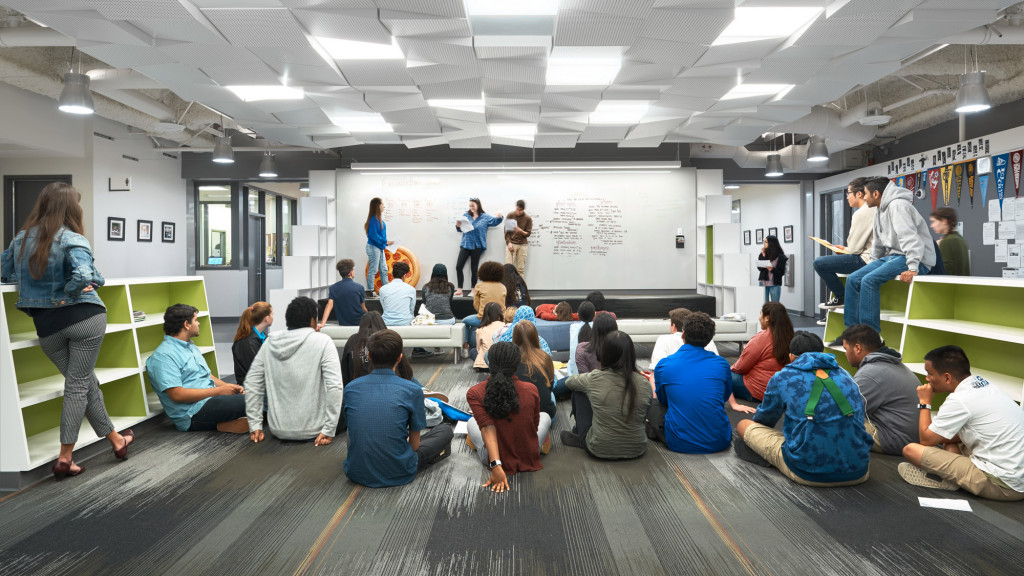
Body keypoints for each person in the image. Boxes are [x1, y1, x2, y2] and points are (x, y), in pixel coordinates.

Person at [0, 182, 134, 479]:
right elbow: (84, 275)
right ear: (73, 208)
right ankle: (65, 457)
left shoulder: (21, 240)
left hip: (47, 325)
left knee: (85, 383)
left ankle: (116, 440)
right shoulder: (73, 238)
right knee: (79, 386)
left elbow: (4, 272)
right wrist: (75, 289)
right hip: (85, 318)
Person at [735, 332, 873, 487]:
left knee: (744, 426)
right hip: (859, 470)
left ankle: (777, 459)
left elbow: (764, 420)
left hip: (808, 472)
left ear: (791, 357)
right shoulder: (847, 375)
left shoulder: (783, 377)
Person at [898, 346, 1024, 501]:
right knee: (949, 442)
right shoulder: (982, 383)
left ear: (947, 378)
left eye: (930, 373)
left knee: (911, 450)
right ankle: (954, 477)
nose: (927, 379)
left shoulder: (959, 400)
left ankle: (951, 481)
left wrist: (925, 402)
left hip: (1004, 485)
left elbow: (925, 439)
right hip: (1016, 474)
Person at [343, 330, 454, 488]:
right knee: (444, 430)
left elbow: (354, 432)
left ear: (369, 357)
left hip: (355, 471)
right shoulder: (412, 390)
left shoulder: (351, 388)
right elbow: (415, 446)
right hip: (399, 471)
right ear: (400, 357)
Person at [836, 176, 935, 342]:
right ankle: (851, 334)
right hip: (894, 256)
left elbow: (910, 238)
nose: (864, 197)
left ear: (876, 193)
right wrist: (871, 263)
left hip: (914, 258)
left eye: (866, 194)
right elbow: (879, 243)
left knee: (868, 281)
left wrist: (912, 267)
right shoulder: (880, 209)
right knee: (854, 279)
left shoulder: (898, 206)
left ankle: (871, 337)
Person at [647, 313, 755, 454]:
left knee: (653, 403)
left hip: (679, 443)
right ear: (710, 339)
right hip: (720, 440)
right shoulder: (722, 364)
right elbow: (722, 397)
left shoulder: (664, 365)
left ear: (683, 334)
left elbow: (662, 399)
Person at [244, 297, 342, 443]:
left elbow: (252, 383)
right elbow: (335, 386)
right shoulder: (323, 341)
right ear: (312, 321)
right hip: (315, 429)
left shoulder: (270, 342)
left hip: (278, 429)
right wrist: (328, 429)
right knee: (347, 397)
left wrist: (255, 425)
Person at [146, 304, 248, 434]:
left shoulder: (190, 346)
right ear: (186, 325)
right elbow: (177, 395)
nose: (199, 324)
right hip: (193, 413)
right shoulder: (163, 356)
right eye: (195, 320)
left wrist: (231, 388)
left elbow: (208, 376)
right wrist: (219, 391)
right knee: (256, 400)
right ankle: (229, 421)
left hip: (211, 399)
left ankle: (226, 422)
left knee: (256, 395)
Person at [561, 331, 652, 460]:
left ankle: (580, 435)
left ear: (605, 354)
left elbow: (569, 382)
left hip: (598, 448)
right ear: (632, 355)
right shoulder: (644, 383)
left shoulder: (595, 378)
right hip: (637, 449)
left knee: (578, 391)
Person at [466, 342, 543, 492]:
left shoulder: (474, 392)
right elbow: (534, 424)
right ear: (516, 367)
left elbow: (488, 427)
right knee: (545, 416)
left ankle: (473, 441)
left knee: (471, 421)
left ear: (490, 365)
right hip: (530, 454)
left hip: (495, 459)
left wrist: (496, 465)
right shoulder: (531, 389)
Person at [840, 324, 918, 455]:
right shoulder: (891, 363)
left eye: (846, 348)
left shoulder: (870, 374)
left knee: (837, 421)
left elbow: (844, 409)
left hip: (898, 440)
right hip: (911, 437)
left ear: (858, 348)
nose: (846, 354)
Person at [813, 177, 874, 309]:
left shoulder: (861, 213)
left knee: (819, 263)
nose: (847, 197)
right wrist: (845, 249)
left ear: (859, 194)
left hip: (865, 260)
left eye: (848, 193)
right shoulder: (875, 209)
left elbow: (855, 249)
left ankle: (842, 297)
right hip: (876, 257)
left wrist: (846, 250)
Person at [731, 302, 793, 402]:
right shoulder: (791, 336)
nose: (759, 318)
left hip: (758, 390)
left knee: (722, 372)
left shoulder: (760, 339)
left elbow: (741, 368)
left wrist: (730, 368)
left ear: (767, 318)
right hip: (782, 390)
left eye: (761, 314)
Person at [512, 321, 557, 437]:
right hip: (543, 415)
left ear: (515, 337)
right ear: (535, 337)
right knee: (551, 395)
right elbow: (550, 386)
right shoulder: (545, 358)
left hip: (513, 418)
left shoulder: (510, 358)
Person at [454, 197, 503, 296]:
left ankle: (473, 289)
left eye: (473, 205)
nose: (471, 207)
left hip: (477, 245)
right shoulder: (465, 215)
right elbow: (460, 230)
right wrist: (458, 226)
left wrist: (499, 217)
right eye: (470, 205)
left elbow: (495, 221)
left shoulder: (484, 217)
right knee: (459, 266)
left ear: (478, 205)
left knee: (474, 268)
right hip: (466, 243)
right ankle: (459, 289)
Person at [649, 307, 718, 371]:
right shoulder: (706, 340)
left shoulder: (663, 339)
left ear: (673, 326)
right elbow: (716, 364)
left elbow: (657, 367)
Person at [553, 301, 596, 399]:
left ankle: (573, 392)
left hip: (574, 378)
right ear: (594, 314)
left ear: (577, 315)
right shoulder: (598, 328)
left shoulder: (573, 327)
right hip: (595, 380)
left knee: (552, 390)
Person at [460, 261, 506, 350]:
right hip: (500, 318)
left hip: (482, 318)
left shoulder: (479, 286)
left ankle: (465, 345)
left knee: (464, 321)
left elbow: (476, 305)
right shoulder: (503, 287)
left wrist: (481, 312)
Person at [232, 301, 272, 386]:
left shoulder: (262, 336)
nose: (273, 317)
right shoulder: (248, 342)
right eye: (272, 314)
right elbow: (257, 370)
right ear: (266, 318)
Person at [319, 258, 366, 329]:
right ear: (351, 272)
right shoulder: (360, 287)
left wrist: (322, 323)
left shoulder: (333, 288)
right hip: (360, 321)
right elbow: (363, 308)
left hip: (343, 322)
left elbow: (329, 305)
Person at [364, 197, 395, 295]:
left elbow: (377, 235)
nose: (384, 206)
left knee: (384, 269)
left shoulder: (377, 219)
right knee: (373, 269)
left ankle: (386, 290)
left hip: (379, 248)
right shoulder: (374, 219)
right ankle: (370, 291)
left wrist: (385, 242)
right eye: (382, 204)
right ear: (377, 206)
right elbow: (373, 235)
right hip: (373, 247)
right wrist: (386, 241)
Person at [929, 207, 970, 276]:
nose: (931, 226)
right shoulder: (960, 239)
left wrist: (936, 250)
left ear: (944, 221)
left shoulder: (946, 242)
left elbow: (942, 272)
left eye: (934, 221)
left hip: (951, 286)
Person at [379, 262, 415, 326]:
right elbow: (411, 310)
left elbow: (384, 308)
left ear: (392, 274)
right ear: (404, 275)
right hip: (405, 323)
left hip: (387, 323)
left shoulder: (382, 289)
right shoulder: (411, 289)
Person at [472, 302, 505, 370]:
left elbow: (478, 348)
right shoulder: (505, 325)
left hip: (485, 364)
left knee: (473, 351)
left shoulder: (480, 329)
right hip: (503, 362)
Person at [757, 235, 788, 303]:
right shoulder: (762, 254)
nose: (764, 243)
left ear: (771, 243)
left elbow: (781, 273)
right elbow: (759, 268)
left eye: (766, 242)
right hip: (763, 283)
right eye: (764, 241)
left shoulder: (781, 257)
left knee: (775, 305)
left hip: (775, 284)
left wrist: (772, 269)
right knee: (764, 305)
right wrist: (763, 255)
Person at [505, 199, 532, 276]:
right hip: (512, 243)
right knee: (508, 268)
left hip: (523, 245)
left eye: (521, 210)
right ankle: (509, 288)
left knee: (520, 269)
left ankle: (520, 288)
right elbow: (506, 232)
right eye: (517, 209)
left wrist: (520, 230)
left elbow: (528, 233)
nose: (519, 211)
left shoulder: (528, 218)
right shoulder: (510, 215)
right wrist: (509, 243)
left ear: (523, 209)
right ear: (516, 207)